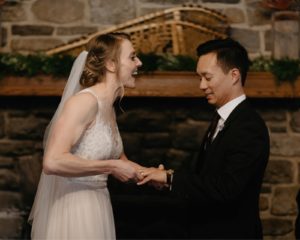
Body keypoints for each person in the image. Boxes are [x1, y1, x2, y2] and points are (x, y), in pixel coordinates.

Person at [138, 38, 270, 239]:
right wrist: (168, 181)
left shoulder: (249, 126)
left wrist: (170, 178)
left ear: (234, 75)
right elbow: (208, 177)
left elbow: (226, 189)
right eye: (199, 77)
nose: (201, 85)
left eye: (207, 77)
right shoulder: (222, 118)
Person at [28, 32, 143, 239]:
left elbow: (121, 161)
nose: (138, 63)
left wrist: (156, 175)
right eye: (132, 57)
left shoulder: (108, 107)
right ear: (111, 64)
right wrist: (111, 167)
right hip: (74, 206)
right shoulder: (84, 102)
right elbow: (53, 162)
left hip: (98, 202)